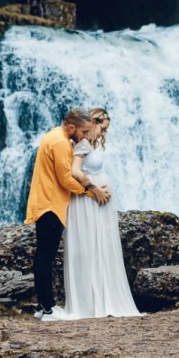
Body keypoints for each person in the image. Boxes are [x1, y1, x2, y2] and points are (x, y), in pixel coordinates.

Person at [47, 108, 143, 320]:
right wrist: (95, 189)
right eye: (102, 128)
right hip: (87, 202)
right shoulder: (81, 145)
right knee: (90, 245)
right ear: (93, 123)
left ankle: (101, 295)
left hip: (96, 203)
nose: (103, 134)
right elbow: (75, 172)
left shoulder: (87, 144)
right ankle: (93, 300)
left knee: (100, 245)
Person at [25, 108, 110, 319]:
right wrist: (92, 191)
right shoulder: (61, 142)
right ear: (72, 127)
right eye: (82, 132)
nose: (83, 137)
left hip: (45, 201)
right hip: (51, 204)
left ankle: (42, 307)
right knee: (46, 256)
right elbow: (66, 179)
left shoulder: (54, 135)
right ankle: (48, 308)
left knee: (44, 255)